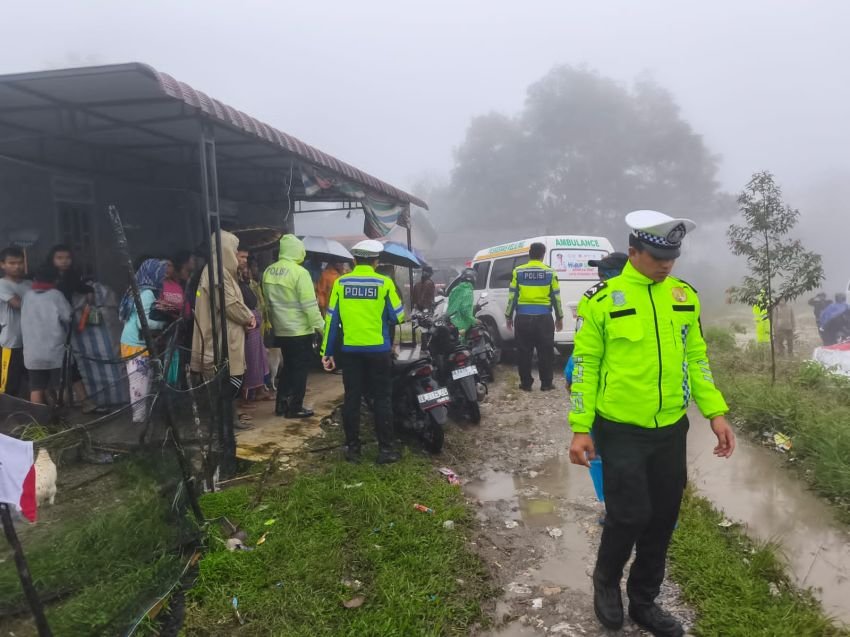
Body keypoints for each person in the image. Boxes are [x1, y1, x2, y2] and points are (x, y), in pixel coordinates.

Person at [568, 210, 735, 636]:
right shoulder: (602, 300)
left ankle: (644, 600)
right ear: (633, 252)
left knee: (662, 518)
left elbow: (696, 359)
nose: (666, 265)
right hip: (620, 428)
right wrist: (581, 427)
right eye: (658, 257)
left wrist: (715, 413)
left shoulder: (684, 296)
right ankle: (606, 582)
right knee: (629, 515)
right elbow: (585, 366)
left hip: (671, 429)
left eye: (672, 257)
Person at [321, 239, 405, 465]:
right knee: (382, 398)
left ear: (354, 260)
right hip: (378, 350)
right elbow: (398, 316)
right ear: (376, 261)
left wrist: (327, 351)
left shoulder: (341, 283)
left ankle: (353, 449)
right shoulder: (384, 283)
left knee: (352, 398)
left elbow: (331, 320)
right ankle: (386, 450)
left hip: (350, 351)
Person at [191, 232, 256, 429]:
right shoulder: (216, 273)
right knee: (229, 379)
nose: (237, 255)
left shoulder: (223, 272)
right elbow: (229, 304)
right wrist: (248, 317)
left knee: (231, 377)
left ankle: (228, 419)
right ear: (225, 249)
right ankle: (223, 423)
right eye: (235, 250)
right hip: (221, 335)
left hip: (228, 333)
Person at [263, 235, 324, 419]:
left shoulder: (268, 271)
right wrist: (322, 328)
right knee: (299, 369)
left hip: (280, 330)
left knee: (288, 367)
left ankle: (281, 404)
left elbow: (267, 303)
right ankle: (295, 407)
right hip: (299, 330)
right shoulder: (300, 273)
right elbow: (310, 306)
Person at [505, 242, 564, 391]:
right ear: (543, 255)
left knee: (524, 352)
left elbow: (512, 296)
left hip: (523, 318)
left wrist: (508, 316)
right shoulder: (550, 272)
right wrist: (559, 317)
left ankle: (526, 384)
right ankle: (546, 383)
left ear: (529, 254)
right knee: (546, 352)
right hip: (544, 318)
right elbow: (556, 297)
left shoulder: (518, 271)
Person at [565, 252, 628, 391]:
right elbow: (584, 346)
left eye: (606, 271)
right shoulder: (595, 300)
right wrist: (572, 374)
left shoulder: (641, 299)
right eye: (600, 272)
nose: (601, 275)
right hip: (601, 383)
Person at [46, 244, 97, 412]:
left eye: (67, 258)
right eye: (59, 258)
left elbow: (81, 287)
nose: (64, 261)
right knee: (53, 364)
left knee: (68, 360)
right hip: (46, 325)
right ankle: (58, 404)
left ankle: (82, 401)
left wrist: (89, 291)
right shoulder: (45, 277)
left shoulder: (71, 276)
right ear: (52, 260)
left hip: (64, 323)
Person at [119, 259, 168, 423]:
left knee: (140, 382)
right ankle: (139, 421)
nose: (163, 277)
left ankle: (141, 418)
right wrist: (164, 323)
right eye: (160, 273)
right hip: (137, 345)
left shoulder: (137, 289)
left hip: (131, 341)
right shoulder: (147, 294)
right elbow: (143, 323)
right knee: (139, 386)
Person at [21, 266, 73, 405]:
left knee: (36, 388)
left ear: (35, 279)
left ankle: (37, 417)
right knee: (60, 387)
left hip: (32, 353)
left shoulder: (27, 295)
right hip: (54, 351)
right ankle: (64, 414)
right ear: (55, 280)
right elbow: (68, 316)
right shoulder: (56, 295)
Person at [237, 249, 271, 403]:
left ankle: (259, 390)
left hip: (256, 324)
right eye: (242, 257)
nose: (246, 271)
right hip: (247, 324)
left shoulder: (249, 284)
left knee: (258, 359)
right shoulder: (234, 282)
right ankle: (247, 396)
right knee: (249, 361)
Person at [0, 247, 32, 398]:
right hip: (11, 342)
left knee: (35, 383)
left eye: (20, 262)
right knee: (8, 385)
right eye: (12, 263)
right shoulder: (2, 284)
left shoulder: (29, 284)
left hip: (31, 341)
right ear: (2, 264)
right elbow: (17, 304)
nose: (17, 266)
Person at [446, 268, 477, 339]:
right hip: (461, 324)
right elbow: (465, 310)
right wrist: (474, 320)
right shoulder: (468, 291)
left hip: (450, 321)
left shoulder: (454, 289)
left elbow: (455, 305)